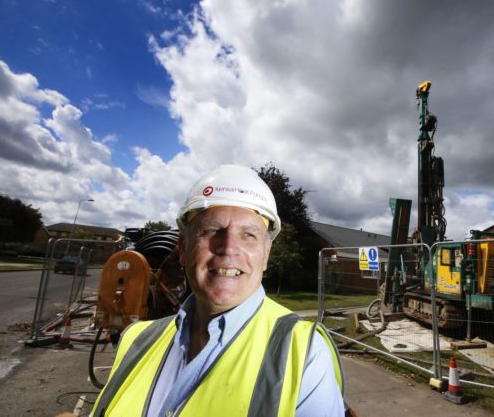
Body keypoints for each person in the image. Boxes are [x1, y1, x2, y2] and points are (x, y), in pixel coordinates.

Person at [92, 165, 345, 416]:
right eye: (211, 231)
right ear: (183, 246)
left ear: (266, 254)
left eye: (249, 235)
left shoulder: (305, 353)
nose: (228, 248)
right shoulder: (137, 339)